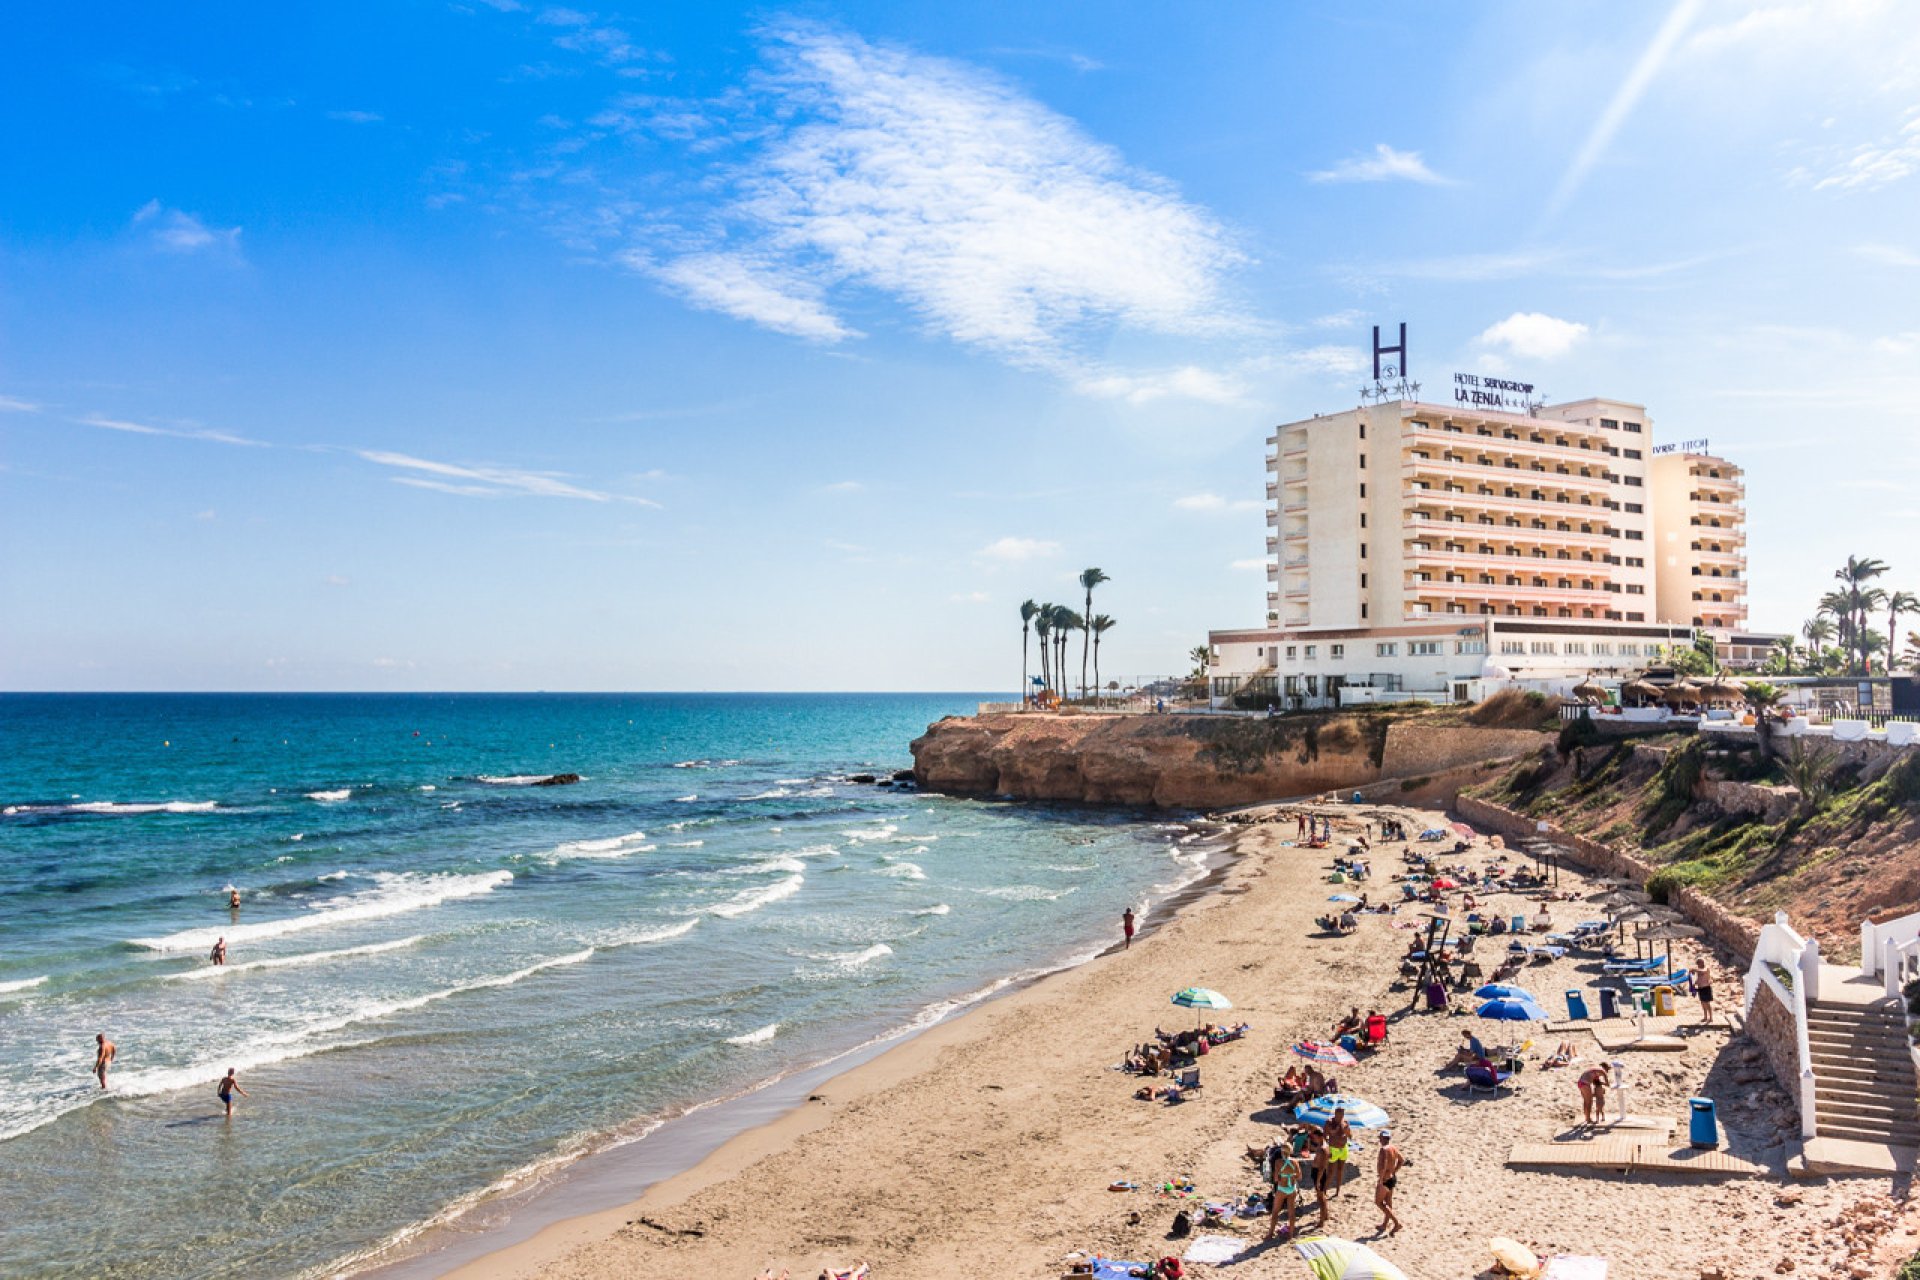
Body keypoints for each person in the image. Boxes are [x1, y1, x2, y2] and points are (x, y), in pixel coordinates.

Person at [1265, 1140, 1302, 1240]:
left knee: (1275, 1211)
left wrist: (1283, 1177)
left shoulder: (1278, 1162)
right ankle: (1290, 1234)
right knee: (1291, 1211)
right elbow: (1299, 1177)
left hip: (1282, 1188)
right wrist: (1291, 1176)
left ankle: (1270, 1234)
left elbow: (1276, 1178)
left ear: (1281, 1151)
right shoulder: (1295, 1162)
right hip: (1292, 1188)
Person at [1374, 1130, 1404, 1235]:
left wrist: (1381, 1180)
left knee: (1378, 1202)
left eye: (1380, 1138)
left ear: (1382, 1138)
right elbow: (1402, 1160)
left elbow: (1384, 1165)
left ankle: (1396, 1223)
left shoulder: (1383, 1150)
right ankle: (1384, 1225)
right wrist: (1394, 1171)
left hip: (1385, 1179)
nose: (1379, 1139)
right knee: (1388, 1202)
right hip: (1392, 1178)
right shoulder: (1393, 1148)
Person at [1324, 1107, 1351, 1198]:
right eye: (1339, 1115)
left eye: (1342, 1115)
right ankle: (1324, 1191)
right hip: (1333, 1149)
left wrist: (1347, 1131)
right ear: (1335, 1114)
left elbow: (1350, 1136)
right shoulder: (1329, 1122)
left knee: (1340, 1170)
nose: (1341, 1117)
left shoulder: (1345, 1123)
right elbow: (1324, 1136)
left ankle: (1337, 1191)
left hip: (1343, 1149)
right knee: (1330, 1172)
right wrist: (1332, 1133)